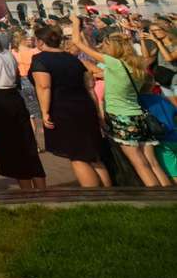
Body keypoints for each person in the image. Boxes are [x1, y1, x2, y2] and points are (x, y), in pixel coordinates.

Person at [68, 16, 171, 187]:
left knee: (141, 164)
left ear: (114, 48)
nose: (103, 48)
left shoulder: (114, 64)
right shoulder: (137, 65)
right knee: (153, 163)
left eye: (106, 46)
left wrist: (75, 24)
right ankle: (169, 196)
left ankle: (157, 199)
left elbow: (78, 44)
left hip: (122, 118)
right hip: (140, 116)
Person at [30, 24, 110, 188]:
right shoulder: (73, 58)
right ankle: (109, 192)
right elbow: (88, 86)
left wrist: (44, 112)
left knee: (78, 156)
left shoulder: (40, 60)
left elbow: (44, 87)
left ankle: (96, 197)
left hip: (63, 109)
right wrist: (97, 111)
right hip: (84, 105)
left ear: (39, 42)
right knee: (93, 155)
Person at [0, 24, 46, 190]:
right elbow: (15, 75)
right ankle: (40, 185)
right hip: (14, 95)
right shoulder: (7, 53)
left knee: (10, 144)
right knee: (26, 141)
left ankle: (26, 187)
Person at [12, 30, 44, 150]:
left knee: (30, 115)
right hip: (37, 80)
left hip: (22, 82)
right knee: (45, 111)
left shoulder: (13, 53)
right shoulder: (35, 51)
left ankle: (35, 143)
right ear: (23, 39)